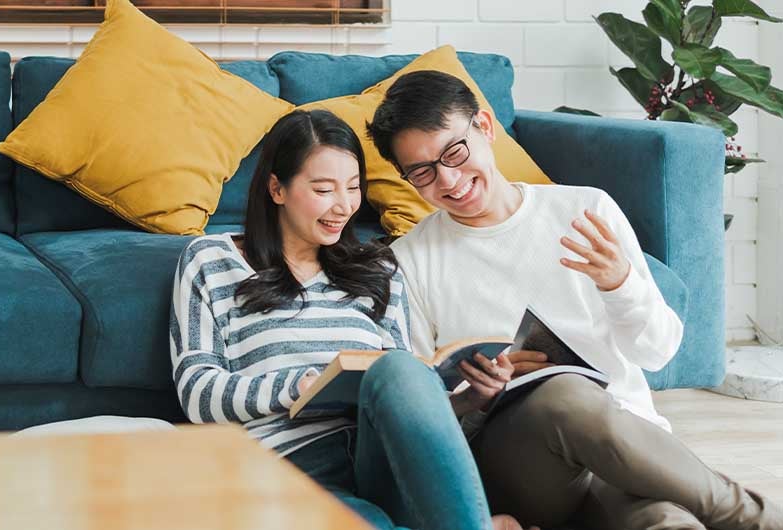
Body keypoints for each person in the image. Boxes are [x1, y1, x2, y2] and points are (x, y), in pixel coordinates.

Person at [366, 70, 783, 530]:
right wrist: (474, 399)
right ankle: (753, 518)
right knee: (563, 394)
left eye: (454, 152)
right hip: (521, 469)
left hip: (626, 452)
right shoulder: (408, 260)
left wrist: (620, 283)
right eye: (422, 172)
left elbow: (658, 353)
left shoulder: (586, 211)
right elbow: (422, 417)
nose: (449, 180)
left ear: (484, 127)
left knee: (667, 521)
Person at [170, 109, 532, 530]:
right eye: (323, 189)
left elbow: (404, 396)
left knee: (398, 366)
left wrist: (468, 400)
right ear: (277, 188)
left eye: (353, 187)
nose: (343, 206)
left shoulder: (380, 269)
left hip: (384, 460)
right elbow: (197, 393)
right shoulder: (211, 261)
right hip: (293, 469)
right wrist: (300, 385)